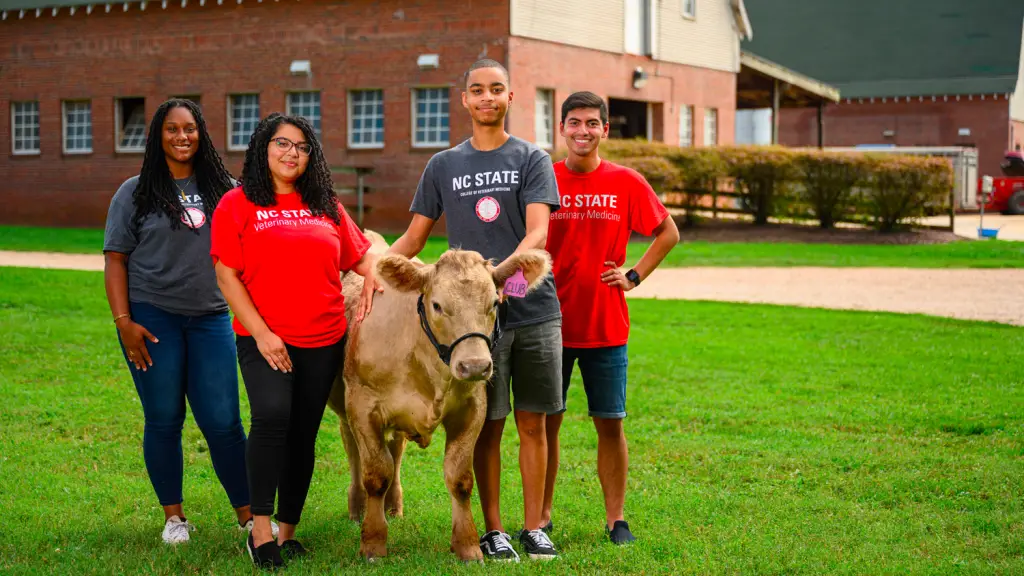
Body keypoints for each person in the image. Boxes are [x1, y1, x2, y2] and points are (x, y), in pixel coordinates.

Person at [387, 59, 563, 562]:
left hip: (532, 308)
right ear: (464, 100)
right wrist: (375, 270)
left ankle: (534, 528)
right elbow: (415, 237)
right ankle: (493, 529)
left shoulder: (533, 158)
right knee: (488, 424)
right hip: (471, 324)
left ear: (511, 97)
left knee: (534, 423)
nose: (487, 97)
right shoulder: (443, 165)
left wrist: (499, 275)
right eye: (477, 90)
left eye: (497, 89)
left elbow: (538, 233)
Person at [211, 113, 378, 570]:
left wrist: (371, 282)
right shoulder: (238, 203)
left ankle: (287, 533)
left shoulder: (324, 203)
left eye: (302, 147)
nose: (292, 154)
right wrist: (263, 334)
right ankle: (259, 531)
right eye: (282, 144)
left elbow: (361, 257)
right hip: (263, 338)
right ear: (263, 148)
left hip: (324, 338)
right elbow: (226, 275)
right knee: (271, 419)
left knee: (303, 434)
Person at [103, 98, 268, 544]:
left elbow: (254, 249)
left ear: (202, 134)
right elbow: (115, 259)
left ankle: (250, 517)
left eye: (190, 129)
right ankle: (174, 519)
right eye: (172, 130)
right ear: (158, 136)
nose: (182, 137)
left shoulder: (226, 190)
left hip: (211, 317)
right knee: (164, 417)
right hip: (153, 318)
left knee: (223, 420)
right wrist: (124, 321)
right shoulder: (134, 192)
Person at [541, 91, 679, 545]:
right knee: (546, 425)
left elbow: (667, 232)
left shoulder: (626, 181)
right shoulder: (542, 178)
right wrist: (515, 294)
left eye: (592, 123)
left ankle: (616, 519)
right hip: (549, 326)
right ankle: (541, 517)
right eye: (574, 122)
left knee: (610, 423)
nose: (583, 131)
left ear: (604, 129)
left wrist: (634, 275)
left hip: (605, 325)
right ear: (561, 128)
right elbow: (524, 246)